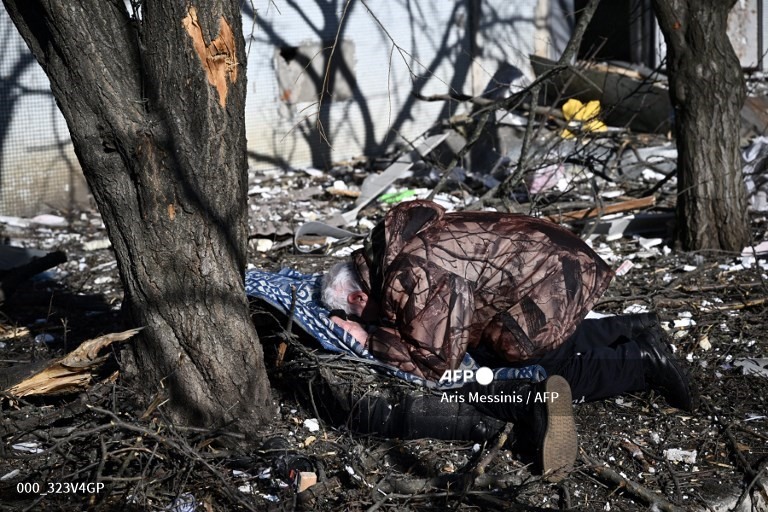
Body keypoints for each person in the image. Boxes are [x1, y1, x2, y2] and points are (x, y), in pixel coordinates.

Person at [321, 200, 696, 476]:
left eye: (359, 315)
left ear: (358, 297)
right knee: (502, 343)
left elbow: (434, 363)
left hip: (553, 281)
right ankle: (628, 328)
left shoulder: (408, 275)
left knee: (514, 367)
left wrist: (372, 342)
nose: (365, 321)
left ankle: (639, 363)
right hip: (560, 265)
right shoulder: (397, 247)